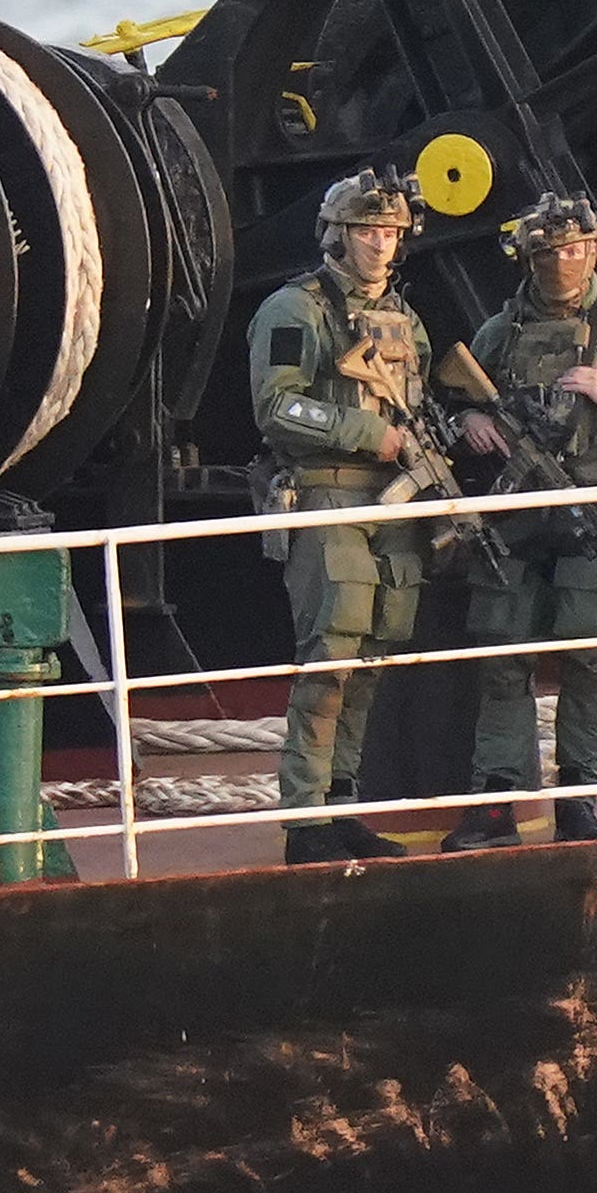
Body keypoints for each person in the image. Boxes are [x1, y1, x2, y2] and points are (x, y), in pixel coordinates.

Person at [441, 191, 597, 850]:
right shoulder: (500, 332)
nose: (565, 260)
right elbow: (447, 403)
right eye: (550, 251)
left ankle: (578, 797)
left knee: (587, 660)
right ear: (528, 257)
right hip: (516, 517)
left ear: (596, 250)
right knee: (502, 659)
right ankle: (495, 801)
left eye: (577, 248)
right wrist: (468, 422)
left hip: (594, 514)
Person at [248, 167, 437, 866]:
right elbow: (277, 407)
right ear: (337, 234)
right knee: (330, 656)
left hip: (395, 501)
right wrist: (368, 436)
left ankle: (344, 803)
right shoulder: (295, 310)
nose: (380, 245)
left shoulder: (404, 318)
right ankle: (305, 817)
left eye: (390, 232)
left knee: (374, 657)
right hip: (329, 492)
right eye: (366, 231)